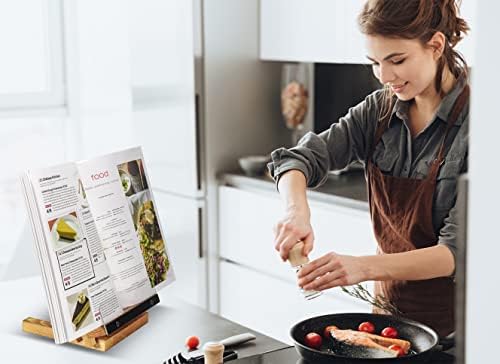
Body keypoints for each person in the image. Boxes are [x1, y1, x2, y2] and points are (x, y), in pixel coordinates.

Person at [268, 0, 469, 337]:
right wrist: (295, 212)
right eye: (375, 62)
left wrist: (361, 267)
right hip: (388, 315)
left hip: (459, 330)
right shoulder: (379, 111)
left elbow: (455, 252)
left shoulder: (480, 126)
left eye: (397, 60)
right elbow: (298, 159)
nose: (385, 76)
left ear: (435, 45)